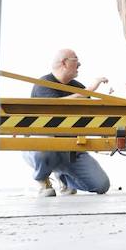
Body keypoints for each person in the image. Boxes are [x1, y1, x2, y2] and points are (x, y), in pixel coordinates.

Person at [23, 49, 111, 197]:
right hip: (41, 148)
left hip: (71, 150)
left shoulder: (79, 88)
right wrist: (89, 90)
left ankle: (64, 178)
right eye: (76, 59)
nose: (80, 63)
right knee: (46, 146)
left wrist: (106, 101)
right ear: (64, 63)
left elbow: (92, 115)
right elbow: (56, 105)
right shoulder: (43, 84)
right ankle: (42, 180)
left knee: (102, 185)